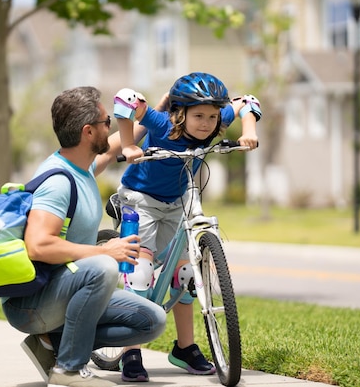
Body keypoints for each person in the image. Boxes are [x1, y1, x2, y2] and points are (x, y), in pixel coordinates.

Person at [2, 86, 167, 387]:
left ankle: (54, 341)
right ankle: (69, 369)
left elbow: (118, 143)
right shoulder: (58, 181)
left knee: (152, 320)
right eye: (107, 122)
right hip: (31, 304)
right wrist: (106, 251)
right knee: (103, 267)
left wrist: (157, 112)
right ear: (88, 132)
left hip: (61, 293)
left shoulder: (83, 168)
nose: (112, 127)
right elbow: (37, 245)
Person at [112, 72, 261, 382]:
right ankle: (131, 351)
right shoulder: (164, 124)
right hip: (142, 200)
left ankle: (185, 347)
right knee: (140, 272)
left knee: (187, 274)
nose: (206, 123)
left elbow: (248, 102)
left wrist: (248, 129)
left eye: (212, 116)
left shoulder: (216, 122)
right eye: (198, 116)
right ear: (180, 113)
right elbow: (125, 99)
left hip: (180, 197)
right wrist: (128, 145)